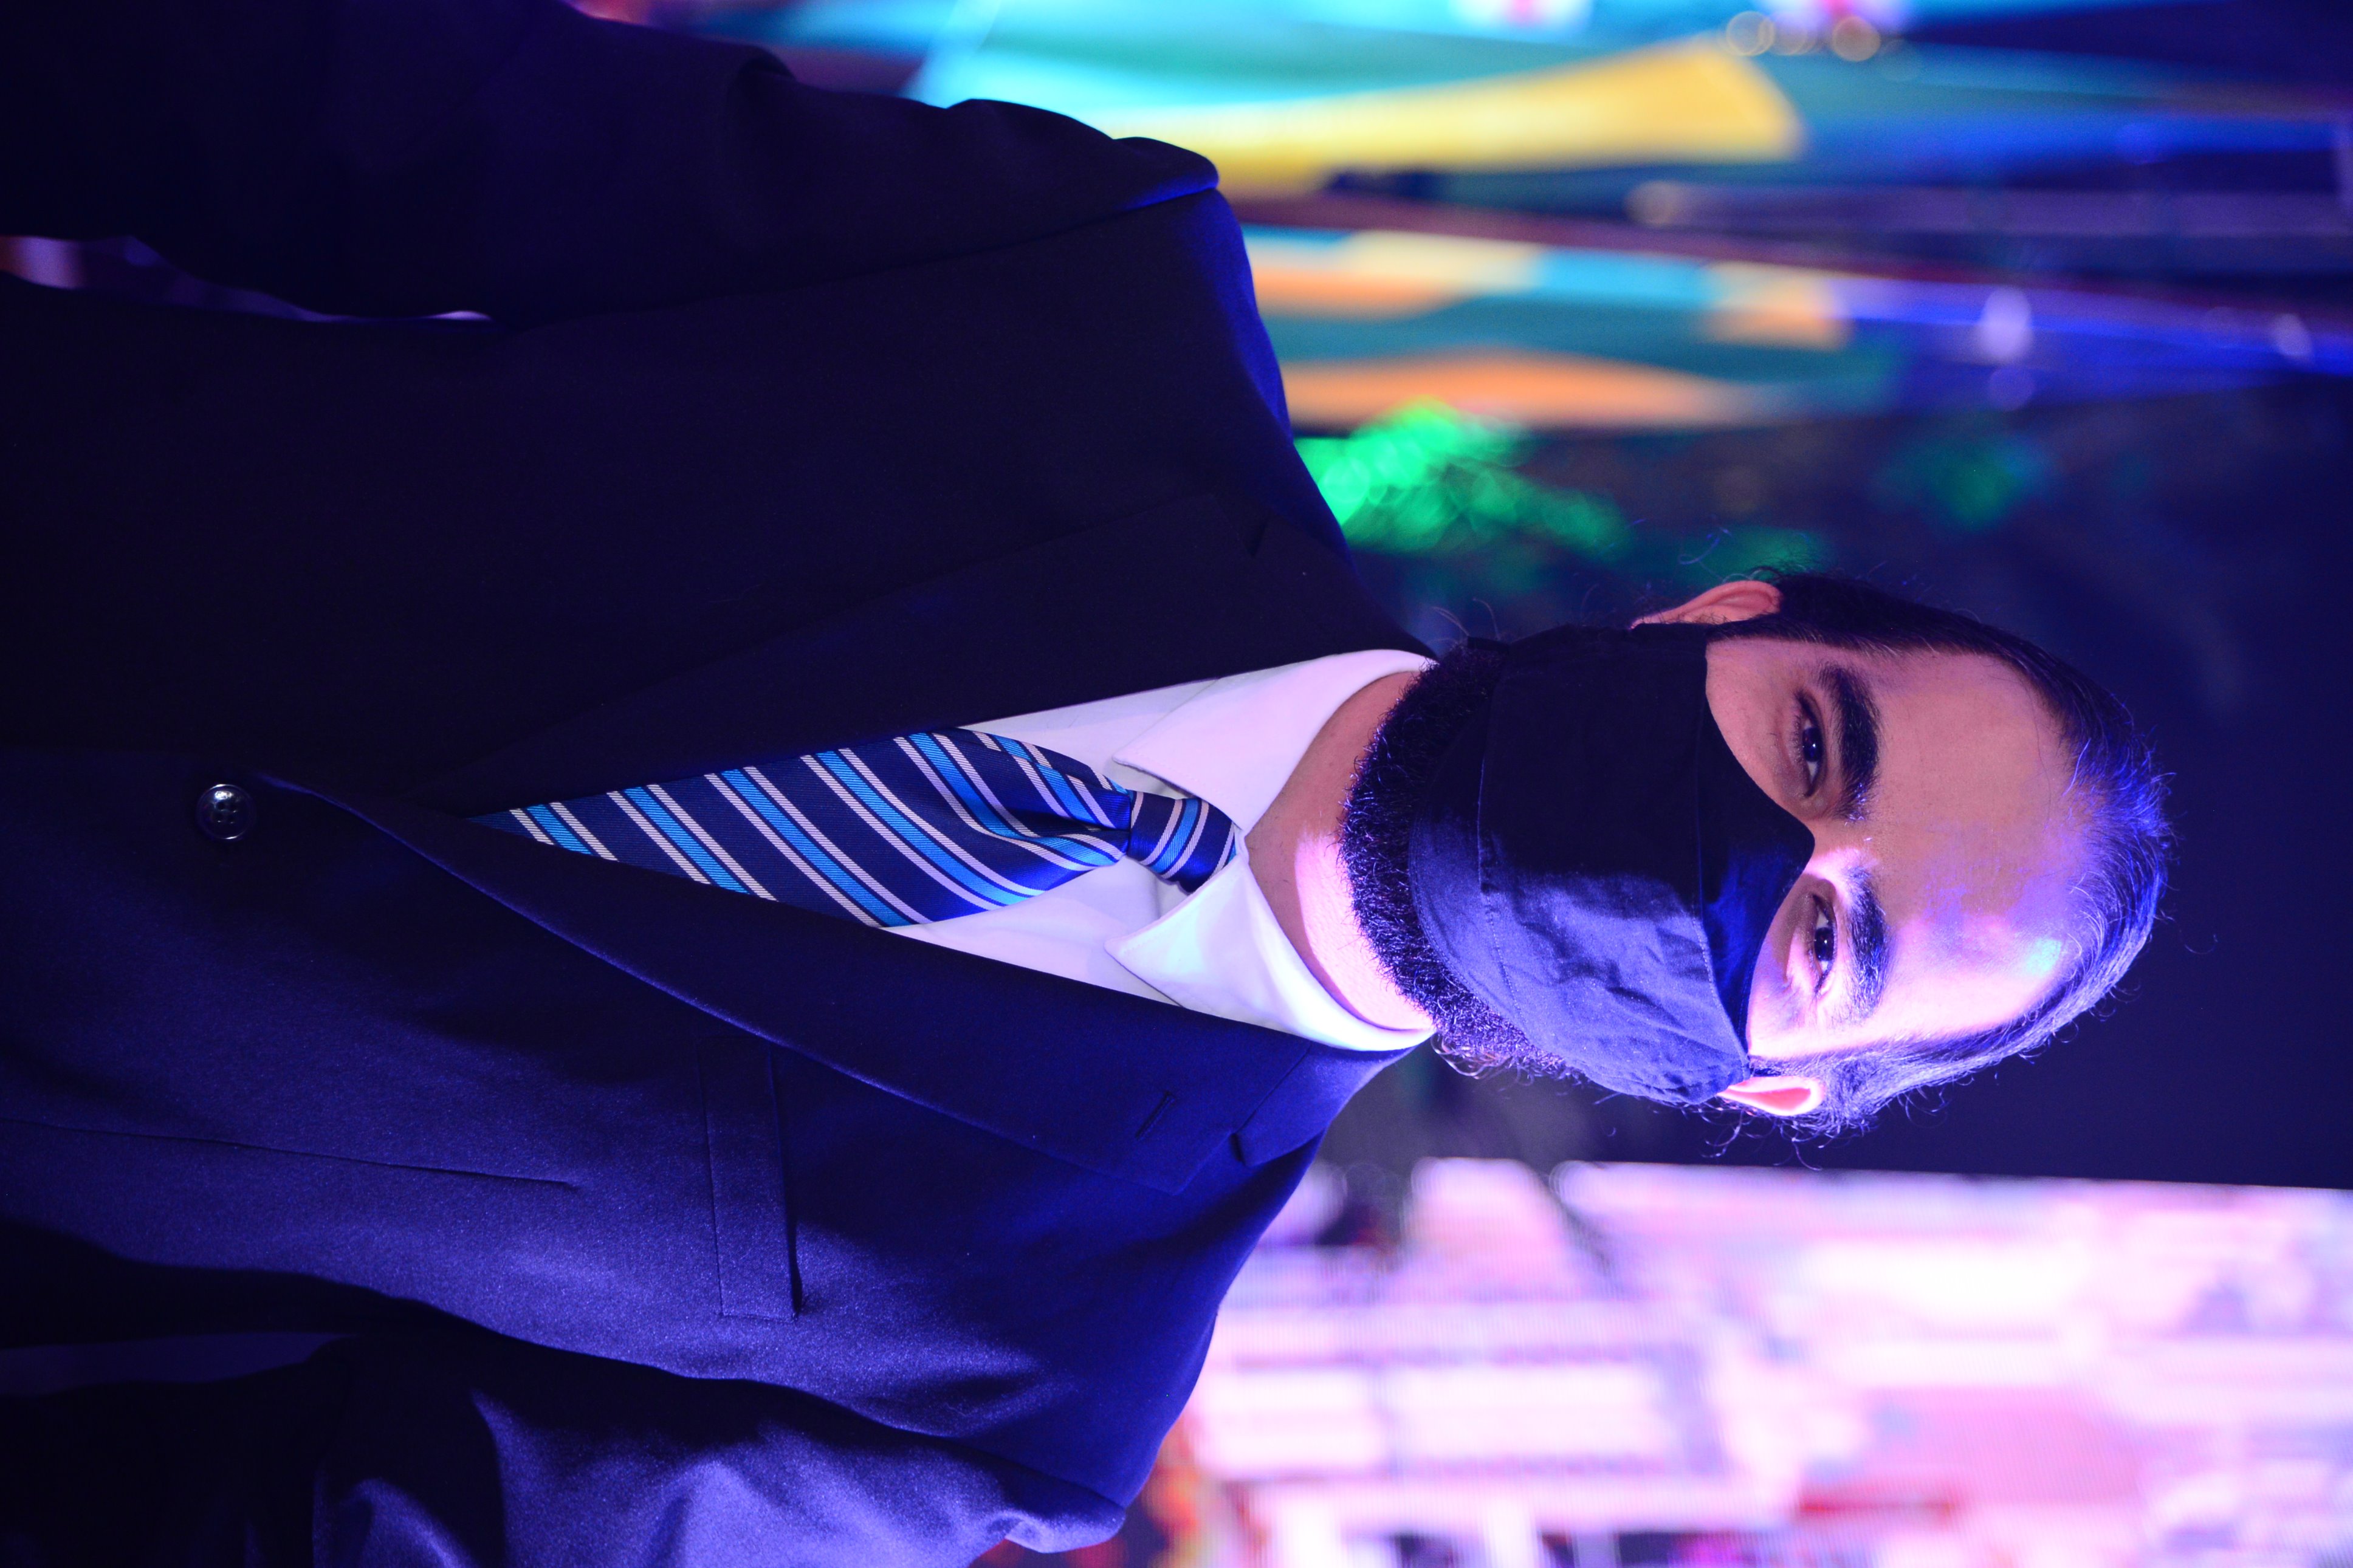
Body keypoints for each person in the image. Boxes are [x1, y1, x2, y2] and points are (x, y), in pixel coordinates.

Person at [0, 0, 2167, 1561]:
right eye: (1817, 744)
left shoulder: (1027, 1389)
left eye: (1830, 935)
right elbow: (334, 112)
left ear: (1764, 1087)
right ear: (1723, 616)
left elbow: (306, 1537)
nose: (1768, 850)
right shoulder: (1079, 296)